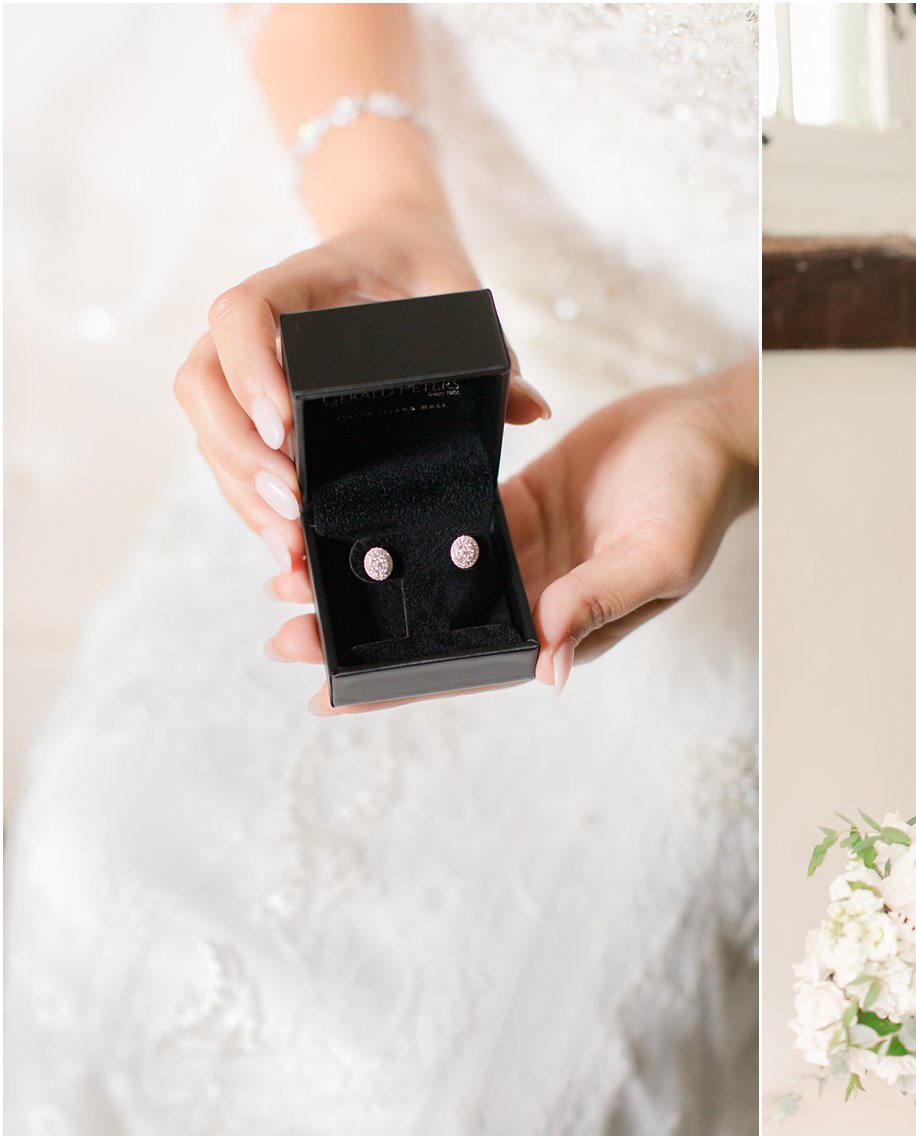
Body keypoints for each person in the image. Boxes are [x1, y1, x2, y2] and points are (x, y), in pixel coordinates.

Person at [5, 5, 758, 1134]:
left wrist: (733, 427)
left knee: (463, 1084)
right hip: (404, 369)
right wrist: (385, 207)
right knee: (97, 868)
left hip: (758, 446)